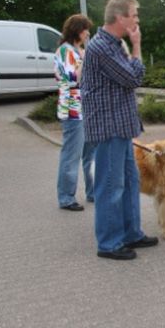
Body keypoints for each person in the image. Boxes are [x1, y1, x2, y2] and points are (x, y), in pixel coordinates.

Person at [81, 0, 158, 260]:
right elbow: (133, 78)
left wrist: (130, 48)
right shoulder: (102, 47)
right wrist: (136, 46)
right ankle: (109, 243)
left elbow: (133, 75)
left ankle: (131, 233)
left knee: (129, 182)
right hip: (109, 128)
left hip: (121, 127)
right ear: (119, 17)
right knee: (111, 186)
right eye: (134, 15)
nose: (137, 20)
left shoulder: (114, 45)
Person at [54, 14, 96, 211]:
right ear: (77, 30)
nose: (88, 33)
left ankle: (93, 192)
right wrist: (85, 60)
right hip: (73, 110)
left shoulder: (81, 51)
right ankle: (66, 198)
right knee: (71, 155)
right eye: (85, 29)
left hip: (87, 109)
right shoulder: (65, 51)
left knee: (91, 154)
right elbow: (73, 79)